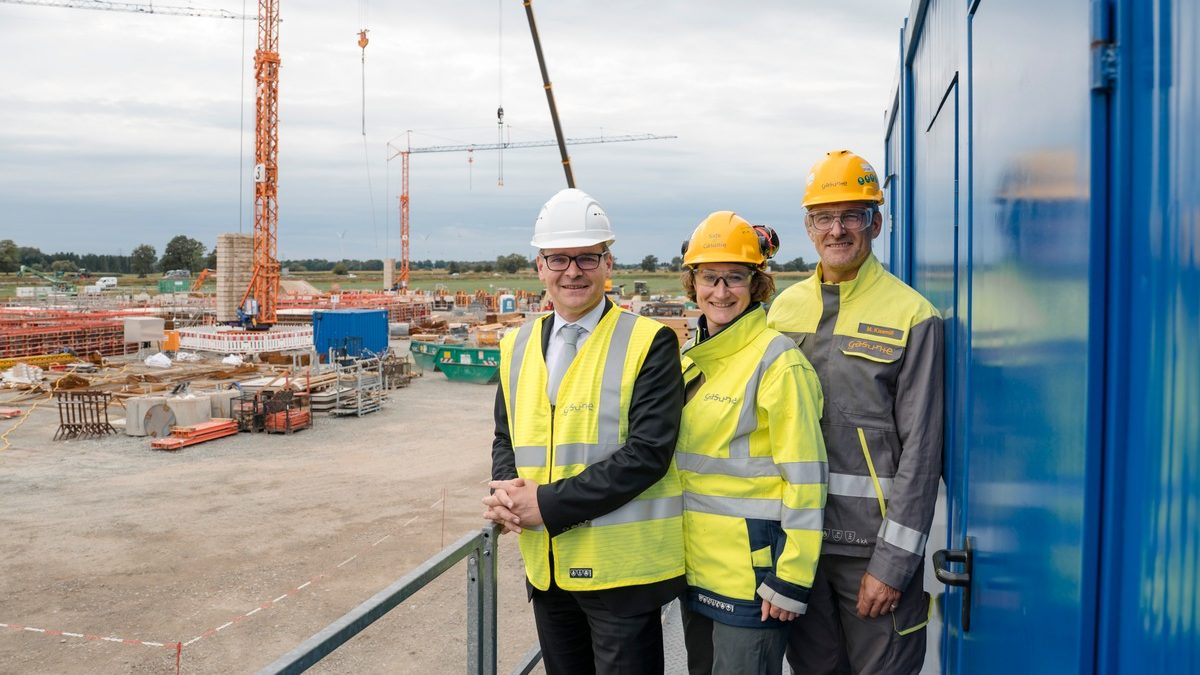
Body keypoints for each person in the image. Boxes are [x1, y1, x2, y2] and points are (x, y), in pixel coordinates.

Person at [483, 187, 686, 675]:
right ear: (539, 266)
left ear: (607, 262)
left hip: (621, 577)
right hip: (548, 569)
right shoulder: (517, 343)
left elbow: (648, 453)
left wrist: (546, 505)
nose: (572, 271)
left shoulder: (649, 342)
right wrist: (507, 492)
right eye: (558, 258)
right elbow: (506, 436)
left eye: (587, 258)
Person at [766, 150, 944, 675]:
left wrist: (891, 566)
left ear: (877, 223)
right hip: (797, 544)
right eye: (824, 217)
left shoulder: (913, 315)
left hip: (871, 552)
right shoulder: (783, 309)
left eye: (853, 215)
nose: (837, 229)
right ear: (809, 226)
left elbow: (922, 453)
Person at [674, 212, 828, 675]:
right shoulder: (693, 359)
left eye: (736, 278)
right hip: (692, 567)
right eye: (709, 277)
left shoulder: (779, 364)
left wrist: (793, 579)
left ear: (757, 284)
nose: (721, 291)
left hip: (753, 582)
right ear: (693, 283)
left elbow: (807, 479)